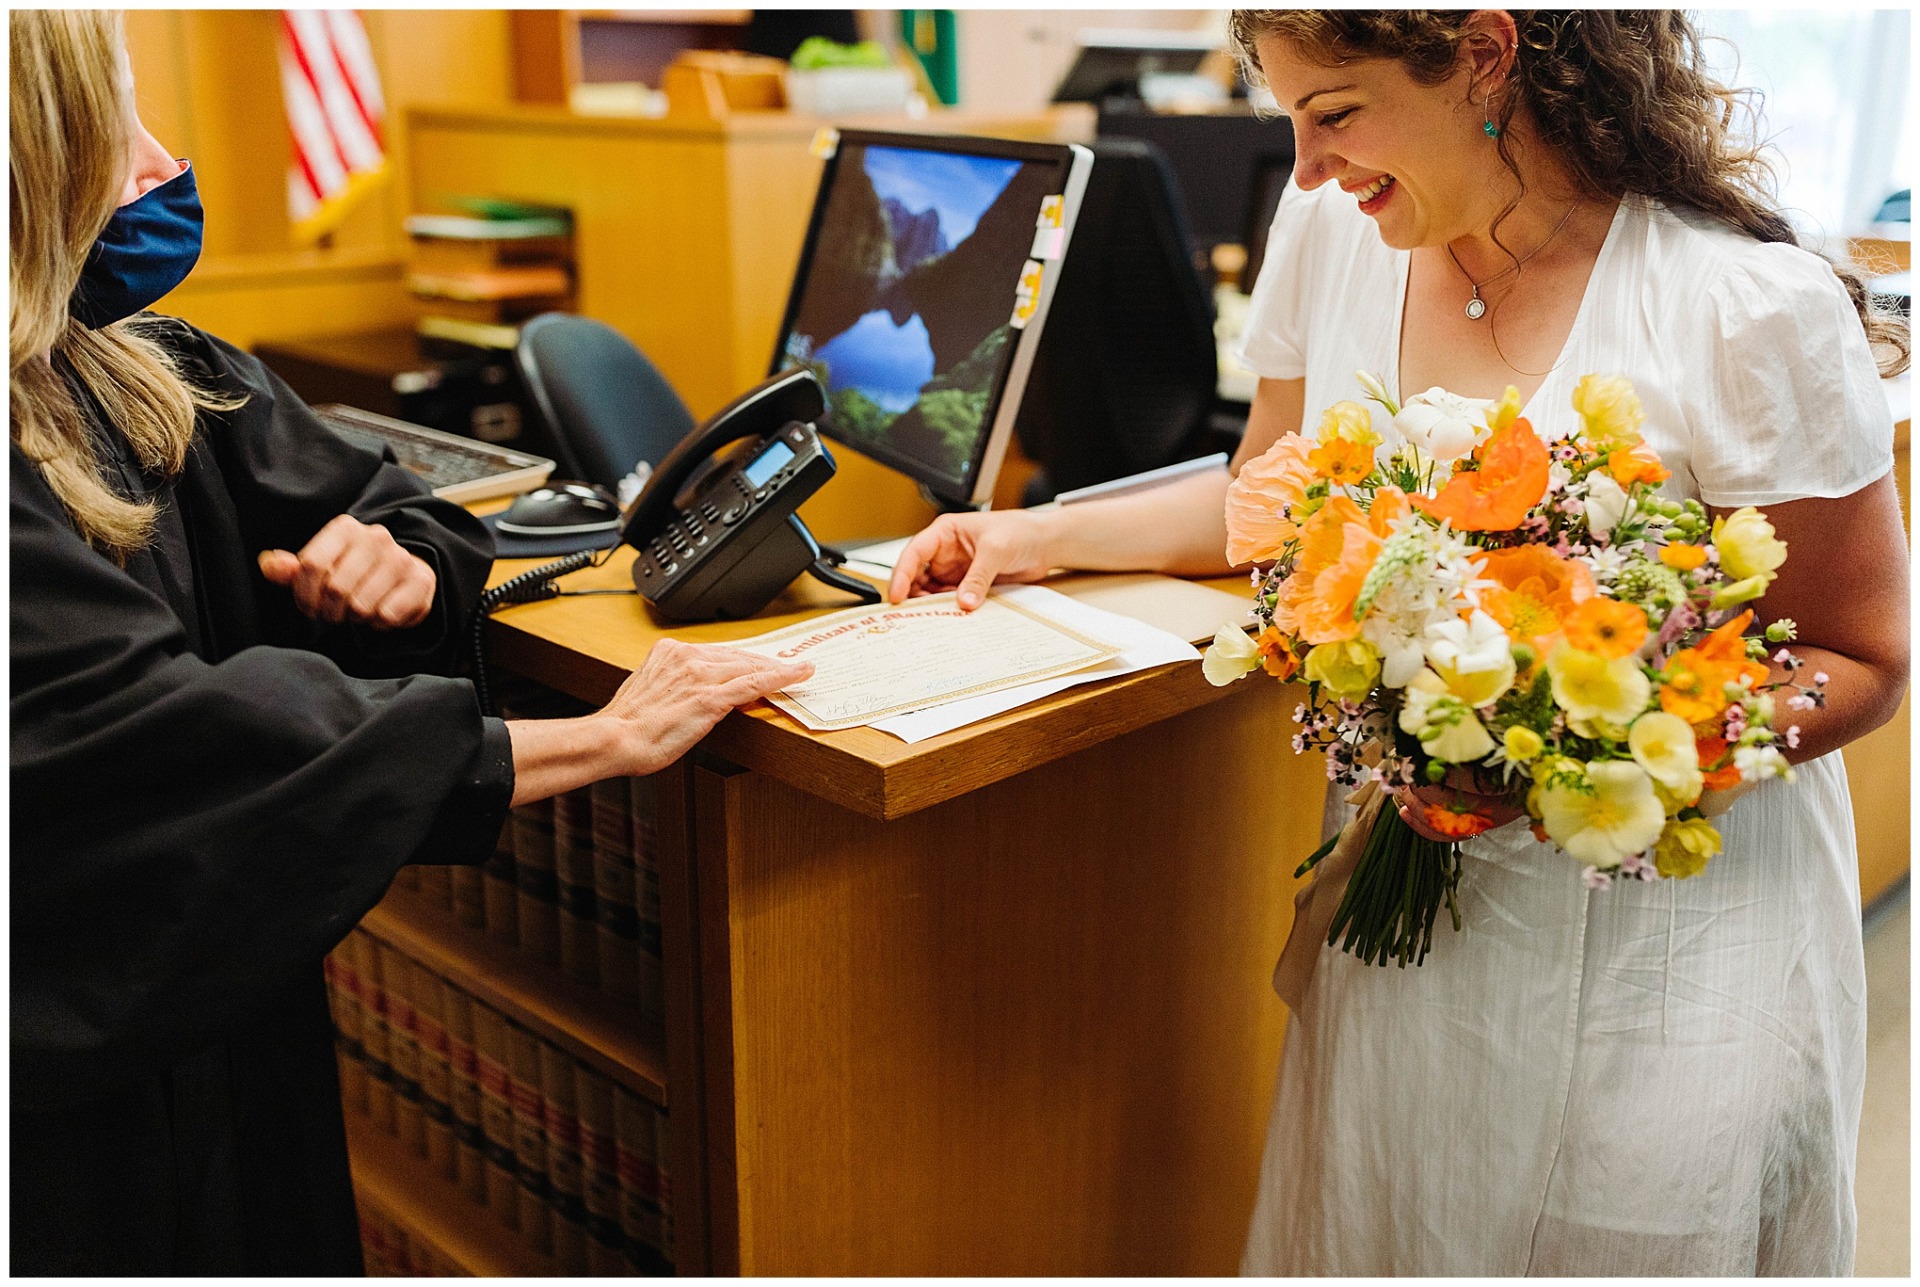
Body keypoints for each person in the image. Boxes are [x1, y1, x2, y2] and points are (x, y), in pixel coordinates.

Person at [889, 10, 1909, 1276]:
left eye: (1337, 113)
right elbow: (1269, 498)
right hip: (1419, 933)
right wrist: (1028, 537)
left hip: (1675, 944)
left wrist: (1605, 757)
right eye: (1293, 122)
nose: (1310, 168)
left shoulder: (1745, 307)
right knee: (1399, 1225)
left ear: (1486, 53)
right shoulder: (1335, 232)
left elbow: (1864, 655)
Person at [9, 10, 811, 1275]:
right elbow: (155, 744)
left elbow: (405, 508)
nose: (161, 159)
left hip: (226, 1049)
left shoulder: (140, 367)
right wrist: (591, 741)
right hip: (65, 1120)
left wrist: (397, 571)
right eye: (112, 125)